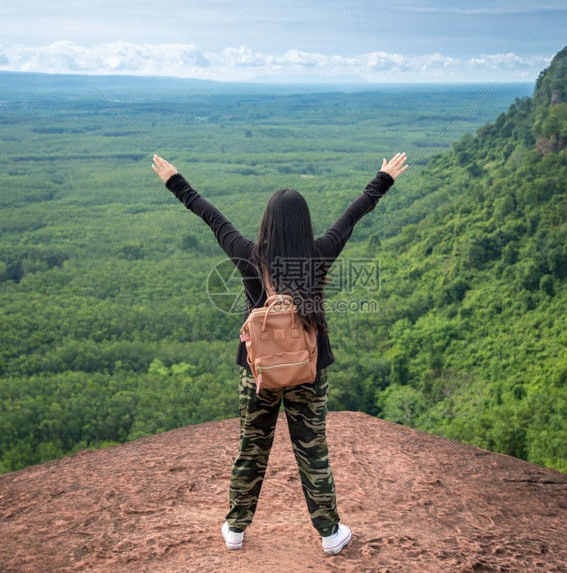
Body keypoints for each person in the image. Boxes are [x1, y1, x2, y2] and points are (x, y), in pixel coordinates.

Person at [152, 151, 408, 555]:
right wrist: (383, 178)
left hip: (258, 372)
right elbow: (353, 215)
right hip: (308, 370)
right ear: (304, 223)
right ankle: (329, 535)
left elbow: (211, 216)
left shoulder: (247, 255)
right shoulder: (319, 254)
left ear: (267, 222)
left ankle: (235, 530)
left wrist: (175, 180)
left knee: (252, 447)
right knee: (313, 450)